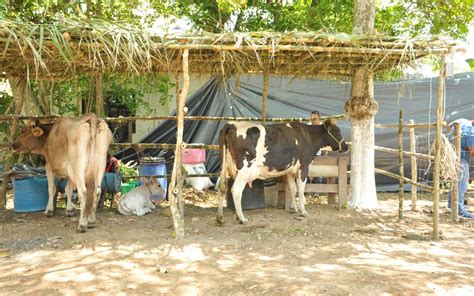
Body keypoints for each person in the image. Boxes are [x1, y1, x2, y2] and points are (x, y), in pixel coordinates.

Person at [447, 119, 474, 219]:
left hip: (449, 153)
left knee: (453, 181)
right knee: (461, 184)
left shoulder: (462, 120)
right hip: (460, 158)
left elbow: (449, 126)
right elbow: (472, 152)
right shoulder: (472, 133)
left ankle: (451, 204)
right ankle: (460, 210)